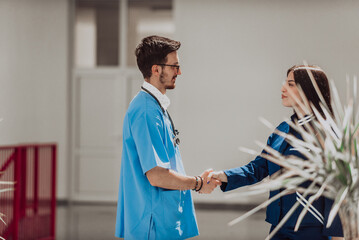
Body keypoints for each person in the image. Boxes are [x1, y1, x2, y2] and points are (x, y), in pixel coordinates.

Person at [208, 65, 344, 240]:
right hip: (279, 226)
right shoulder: (282, 130)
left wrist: (338, 236)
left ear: (309, 89)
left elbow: (338, 188)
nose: (283, 88)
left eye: (291, 84)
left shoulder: (326, 133)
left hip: (311, 229)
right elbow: (258, 168)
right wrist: (224, 176)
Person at [115, 35, 221, 240]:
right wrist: (198, 183)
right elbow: (157, 175)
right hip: (152, 225)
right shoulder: (146, 111)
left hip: (159, 222)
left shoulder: (154, 107)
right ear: (156, 70)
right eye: (174, 66)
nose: (179, 72)